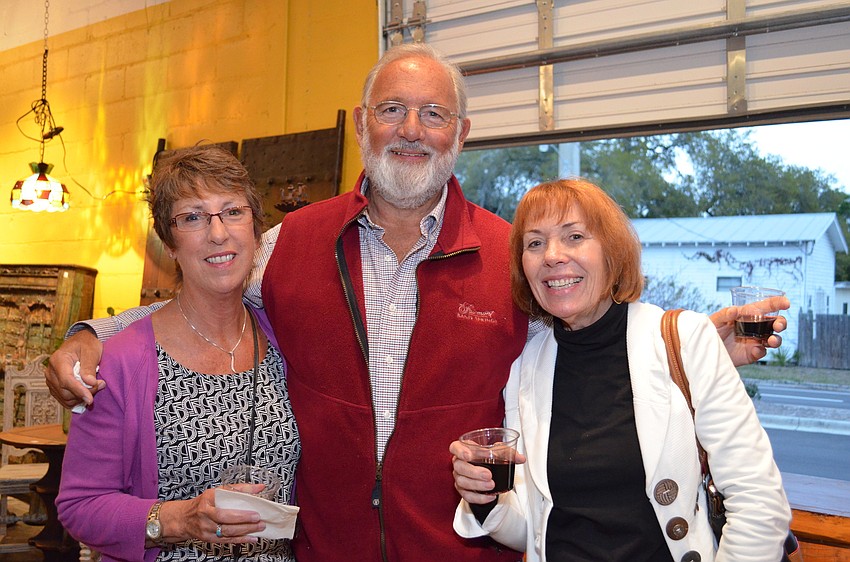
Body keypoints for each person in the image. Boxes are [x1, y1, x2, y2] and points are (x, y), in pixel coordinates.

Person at [46, 45, 788, 562]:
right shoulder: (291, 243)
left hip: (468, 551)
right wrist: (90, 333)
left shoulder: (511, 254)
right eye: (392, 109)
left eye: (434, 114)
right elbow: (208, 290)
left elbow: (589, 327)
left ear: (461, 134)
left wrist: (697, 342)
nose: (411, 130)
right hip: (325, 552)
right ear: (362, 123)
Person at [450, 178, 792, 562]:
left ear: (612, 252)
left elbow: (759, 501)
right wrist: (484, 499)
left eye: (574, 236)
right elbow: (535, 531)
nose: (552, 255)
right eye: (535, 243)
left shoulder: (684, 337)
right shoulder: (525, 368)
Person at [56, 146, 300, 562]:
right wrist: (178, 520)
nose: (218, 233)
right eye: (192, 217)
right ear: (169, 244)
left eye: (233, 212)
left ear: (256, 232)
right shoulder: (120, 362)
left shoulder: (284, 340)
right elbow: (80, 505)